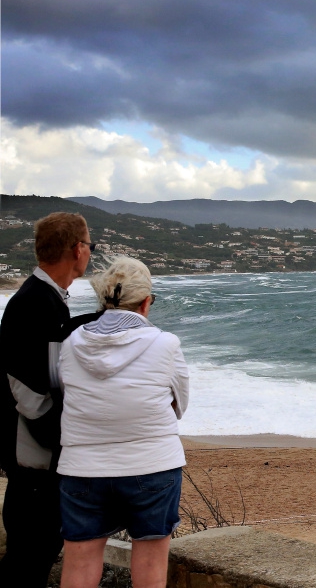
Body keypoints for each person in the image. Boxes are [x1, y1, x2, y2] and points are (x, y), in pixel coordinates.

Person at [57, 256, 189, 588]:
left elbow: (67, 393)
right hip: (152, 464)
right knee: (150, 569)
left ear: (103, 299)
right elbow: (179, 405)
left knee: (79, 565)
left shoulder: (71, 344)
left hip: (82, 468)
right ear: (146, 302)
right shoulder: (165, 343)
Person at [0, 212, 98, 587]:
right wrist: (61, 440)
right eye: (90, 245)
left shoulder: (44, 299)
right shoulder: (36, 302)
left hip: (34, 456)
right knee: (29, 559)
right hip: (33, 459)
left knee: (32, 558)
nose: (90, 252)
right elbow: (25, 386)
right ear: (77, 250)